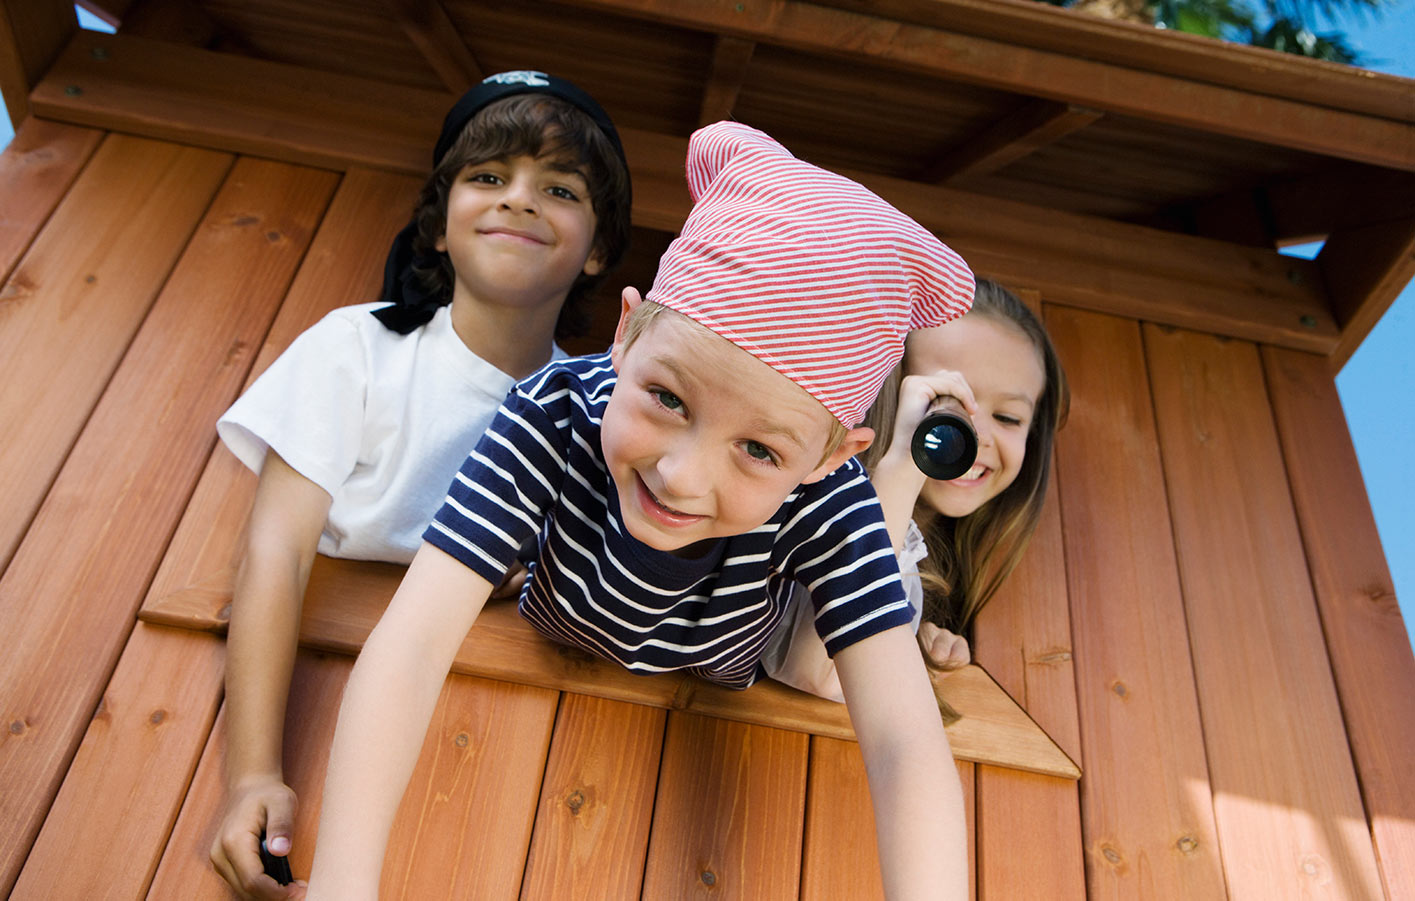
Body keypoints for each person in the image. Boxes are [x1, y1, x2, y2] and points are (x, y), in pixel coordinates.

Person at [303, 121, 976, 900]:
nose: (680, 474)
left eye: (759, 451)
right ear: (624, 334)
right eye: (665, 397)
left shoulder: (832, 504)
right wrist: (341, 886)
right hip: (561, 618)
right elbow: (413, 642)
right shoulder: (550, 412)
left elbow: (902, 742)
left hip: (726, 664)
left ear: (829, 459)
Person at [207, 71, 632, 900]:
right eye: (487, 177)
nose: (519, 199)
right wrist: (251, 774)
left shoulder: (597, 411)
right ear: (438, 225)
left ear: (600, 248)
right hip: (317, 703)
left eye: (559, 187)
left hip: (510, 762)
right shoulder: (358, 348)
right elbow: (276, 553)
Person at [762, 279, 1070, 702]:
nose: (975, 436)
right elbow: (814, 670)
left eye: (1008, 417)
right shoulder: (807, 506)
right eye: (947, 401)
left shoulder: (948, 565)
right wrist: (903, 468)